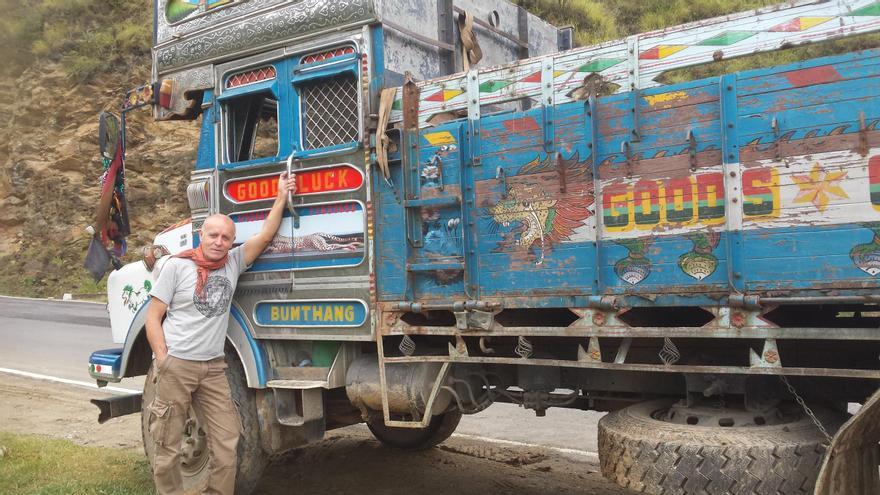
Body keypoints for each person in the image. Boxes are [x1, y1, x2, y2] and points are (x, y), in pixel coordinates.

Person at [144, 172, 296, 495]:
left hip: (213, 369)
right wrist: (163, 359)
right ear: (202, 235)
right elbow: (153, 317)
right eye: (213, 235)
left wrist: (281, 195)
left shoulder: (234, 263)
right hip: (178, 366)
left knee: (228, 441)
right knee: (167, 445)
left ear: (231, 241)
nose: (219, 242)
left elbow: (266, 235)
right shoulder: (176, 266)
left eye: (226, 238)